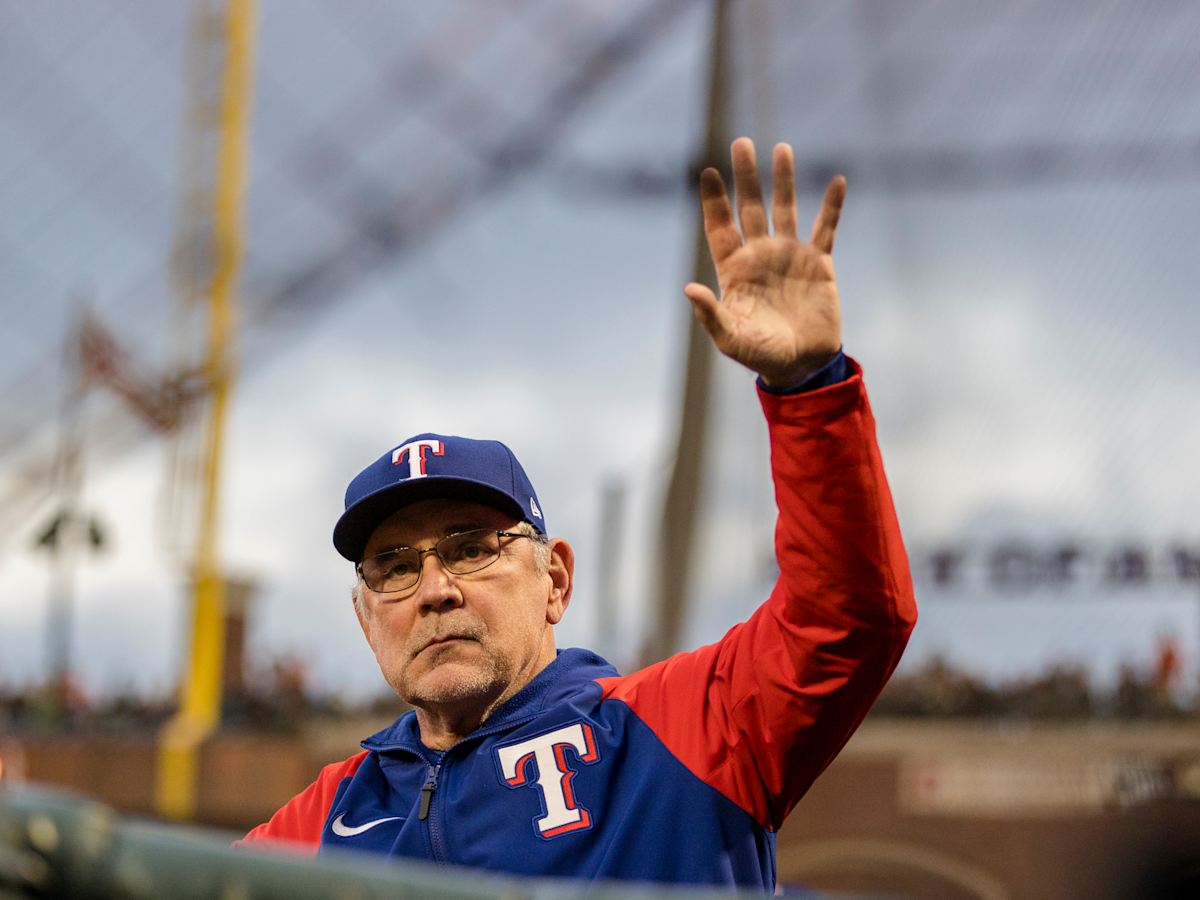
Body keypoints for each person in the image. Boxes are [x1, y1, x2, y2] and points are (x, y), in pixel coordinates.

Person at [239, 138, 917, 891]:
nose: (434, 590)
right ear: (367, 620)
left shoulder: (685, 728)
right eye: (394, 568)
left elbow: (846, 620)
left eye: (470, 549)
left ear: (554, 577)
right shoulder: (325, 821)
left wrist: (808, 390)